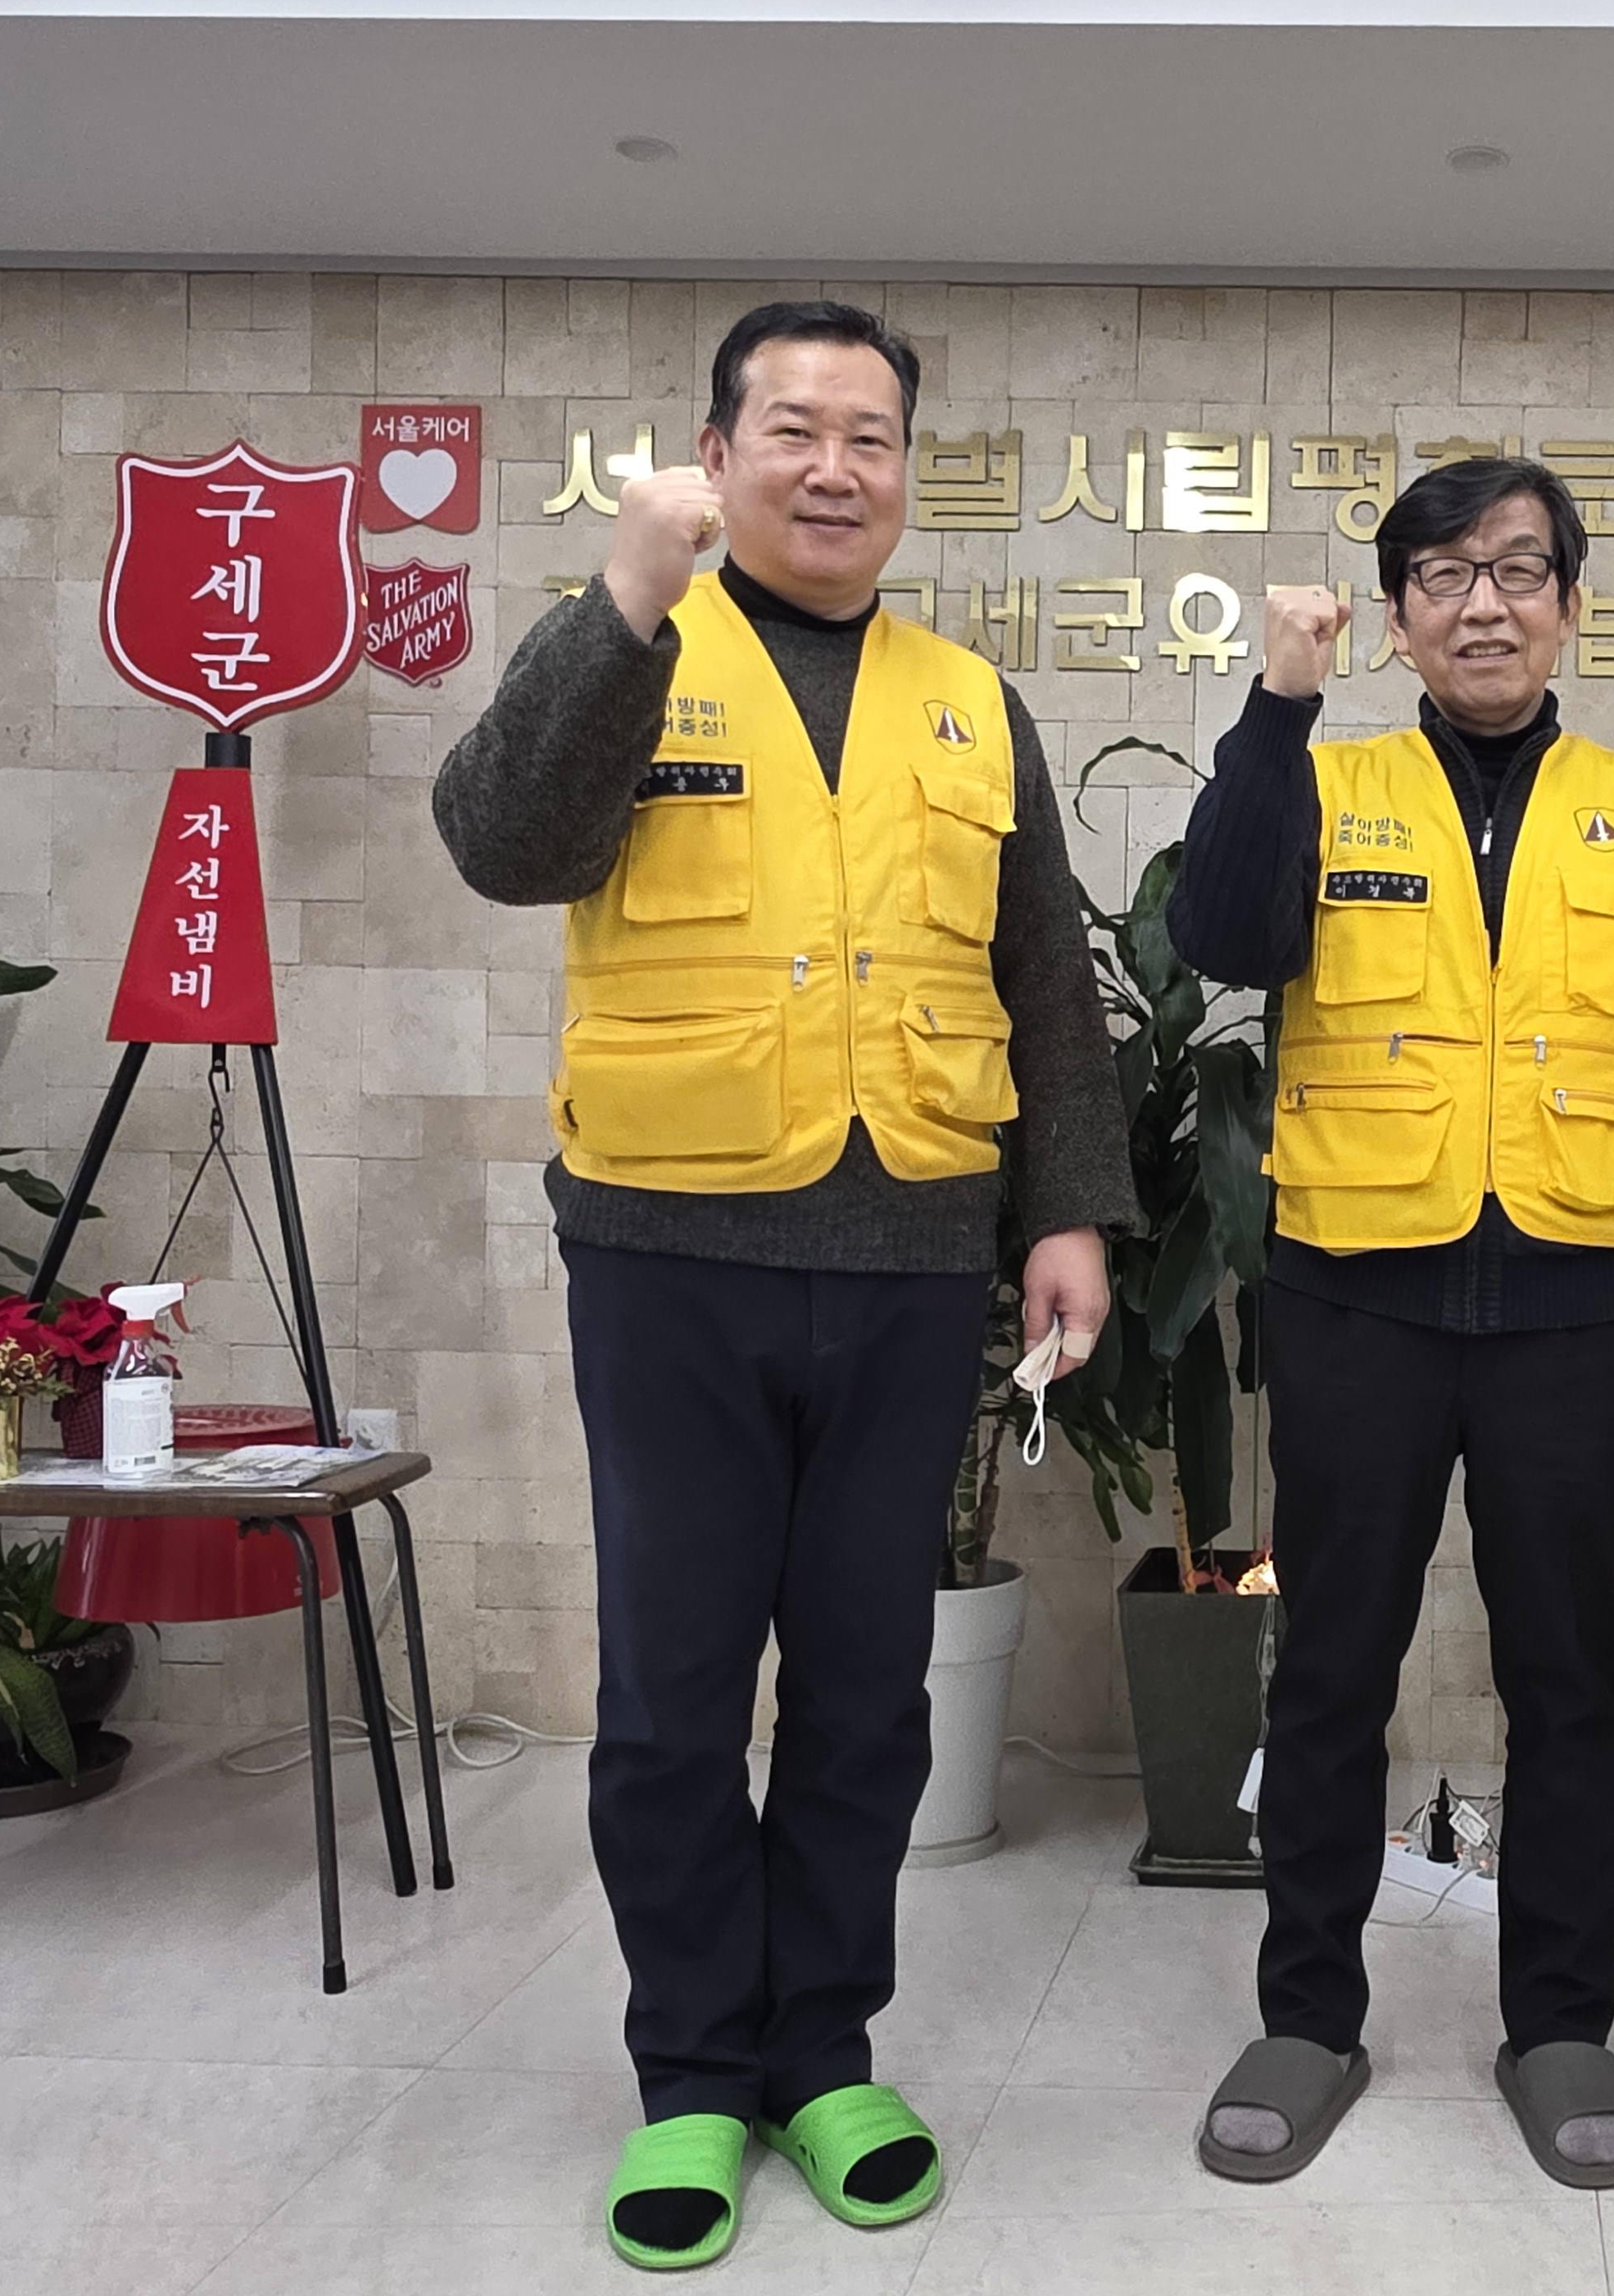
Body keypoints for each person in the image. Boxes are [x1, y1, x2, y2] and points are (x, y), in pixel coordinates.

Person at [433, 300, 1135, 2271]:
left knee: (861, 1696)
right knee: (670, 1699)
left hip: (910, 1257)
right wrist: (618, 605)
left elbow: (1041, 977)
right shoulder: (631, 644)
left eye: (872, 436)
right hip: (668, 1254)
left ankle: (822, 2055)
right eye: (795, 430)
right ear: (716, 453)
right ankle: (688, 2078)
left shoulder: (966, 701)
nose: (836, 468)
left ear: (908, 470)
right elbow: (498, 842)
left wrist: (1065, 1212)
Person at [1166, 457, 1614, 2190]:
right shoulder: (1323, 780)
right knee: (1330, 1670)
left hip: (1570, 1307)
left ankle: (1559, 2023)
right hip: (1355, 1297)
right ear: (1397, 616)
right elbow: (1216, 932)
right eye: (1442, 574)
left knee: (1567, 1681)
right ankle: (1307, 2018)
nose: (1482, 603)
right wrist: (1276, 706)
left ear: (1569, 605)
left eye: (1516, 570)